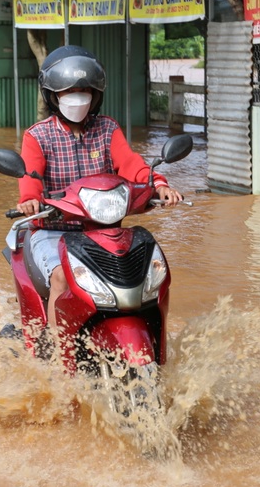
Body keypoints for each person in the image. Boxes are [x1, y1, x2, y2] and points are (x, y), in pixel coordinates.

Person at [16, 45, 184, 331]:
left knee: (149, 272)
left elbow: (131, 164)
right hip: (55, 231)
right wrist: (31, 199)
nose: (77, 99)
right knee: (60, 276)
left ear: (95, 95)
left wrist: (157, 184)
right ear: (54, 96)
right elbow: (30, 177)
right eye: (68, 92)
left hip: (103, 231)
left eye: (85, 92)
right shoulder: (38, 136)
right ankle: (60, 359)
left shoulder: (107, 129)